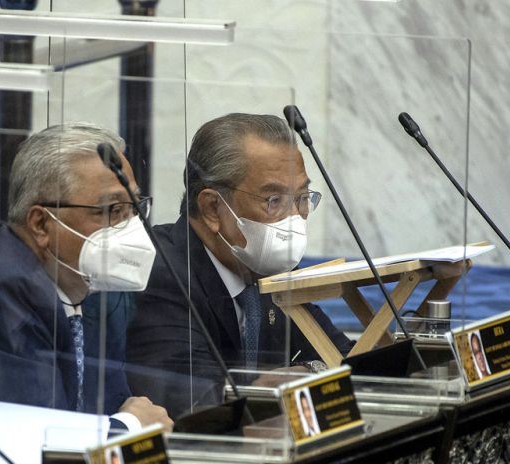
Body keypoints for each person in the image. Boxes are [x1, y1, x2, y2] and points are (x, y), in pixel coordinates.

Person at [0, 123, 172, 433]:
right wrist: (129, 427)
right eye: (111, 210)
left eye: (135, 207)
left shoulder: (96, 288)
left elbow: (107, 407)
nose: (130, 225)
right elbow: (40, 446)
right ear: (41, 224)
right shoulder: (5, 291)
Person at [126, 113, 354, 416]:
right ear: (212, 208)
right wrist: (294, 381)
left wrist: (307, 372)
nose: (295, 218)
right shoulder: (162, 274)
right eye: (274, 200)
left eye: (301, 198)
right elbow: (195, 398)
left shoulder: (271, 269)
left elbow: (343, 357)